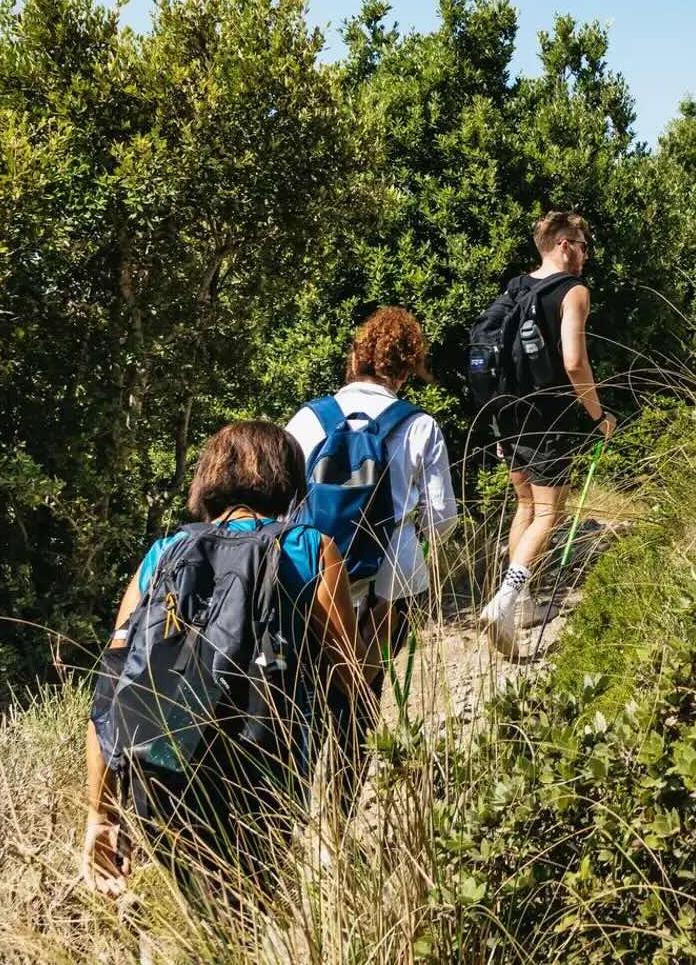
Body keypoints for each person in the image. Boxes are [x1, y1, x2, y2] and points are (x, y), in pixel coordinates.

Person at [83, 419, 361, 894]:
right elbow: (349, 678)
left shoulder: (164, 554)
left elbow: (112, 686)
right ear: (288, 478)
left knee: (200, 909)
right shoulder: (312, 549)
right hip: (264, 769)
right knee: (249, 908)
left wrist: (100, 813)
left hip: (163, 766)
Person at [286, 307, 455, 778]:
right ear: (408, 367)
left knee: (304, 693)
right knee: (361, 701)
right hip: (391, 587)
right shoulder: (420, 426)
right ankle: (341, 821)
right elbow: (443, 521)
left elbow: (280, 507)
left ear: (356, 356)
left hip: (312, 580)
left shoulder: (308, 420)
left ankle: (295, 804)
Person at [478, 211, 612, 651]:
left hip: (508, 416)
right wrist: (597, 415)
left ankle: (524, 603)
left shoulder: (517, 288)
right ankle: (503, 603)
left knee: (524, 506)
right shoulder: (572, 291)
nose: (586, 254)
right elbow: (574, 362)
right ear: (563, 245)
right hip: (547, 418)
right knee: (549, 514)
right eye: (582, 245)